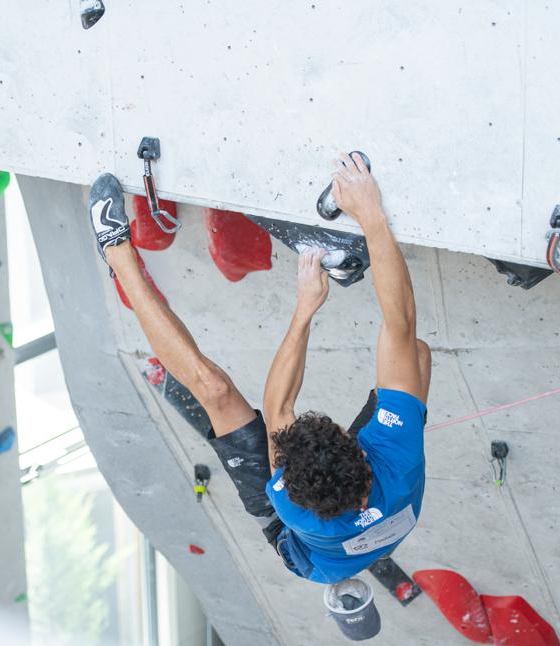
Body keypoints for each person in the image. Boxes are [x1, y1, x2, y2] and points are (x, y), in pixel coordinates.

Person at [87, 153, 430, 584]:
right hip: (382, 499)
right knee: (412, 350)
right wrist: (370, 213)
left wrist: (305, 307)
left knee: (214, 391)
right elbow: (401, 322)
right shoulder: (397, 456)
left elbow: (278, 403)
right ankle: (345, 266)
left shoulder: (288, 504)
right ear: (361, 448)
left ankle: (116, 254)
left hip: (302, 547)